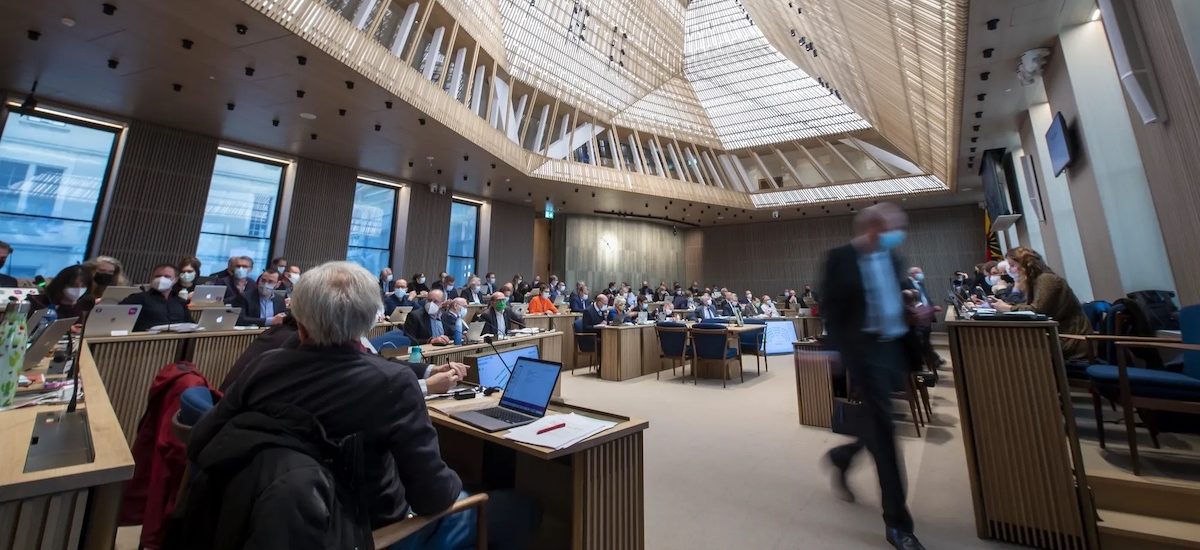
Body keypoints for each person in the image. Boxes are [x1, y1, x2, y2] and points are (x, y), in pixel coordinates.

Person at [182, 262, 531, 549]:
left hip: (260, 519)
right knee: (519, 508)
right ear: (369, 323)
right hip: (366, 532)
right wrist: (461, 478)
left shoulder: (265, 366)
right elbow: (433, 497)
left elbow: (200, 442)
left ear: (299, 322)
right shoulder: (391, 385)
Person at [820, 202, 923, 550]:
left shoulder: (894, 260)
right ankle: (898, 524)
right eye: (895, 227)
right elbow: (831, 309)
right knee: (886, 432)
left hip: (893, 348)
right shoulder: (840, 258)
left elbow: (894, 297)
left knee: (876, 426)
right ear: (874, 227)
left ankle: (842, 456)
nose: (899, 234)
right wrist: (834, 353)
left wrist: (911, 307)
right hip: (863, 352)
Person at [988, 247, 1092, 361]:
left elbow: (1037, 310)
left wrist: (1008, 308)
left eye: (1012, 265)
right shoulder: (1034, 281)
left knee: (1012, 351)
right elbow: (1025, 305)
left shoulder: (1046, 279)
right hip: (1055, 335)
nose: (1010, 271)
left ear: (1025, 264)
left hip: (1069, 339)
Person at [120, 264, 190, 332]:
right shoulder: (137, 299)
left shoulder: (181, 302)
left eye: (167, 276)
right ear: (152, 278)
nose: (161, 279)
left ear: (175, 279)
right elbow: (119, 320)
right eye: (158, 276)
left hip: (177, 341)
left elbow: (190, 324)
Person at [28, 265, 93, 322]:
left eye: (83, 286)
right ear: (62, 284)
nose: (79, 290)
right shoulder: (41, 303)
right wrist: (67, 329)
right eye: (74, 286)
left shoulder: (81, 305)